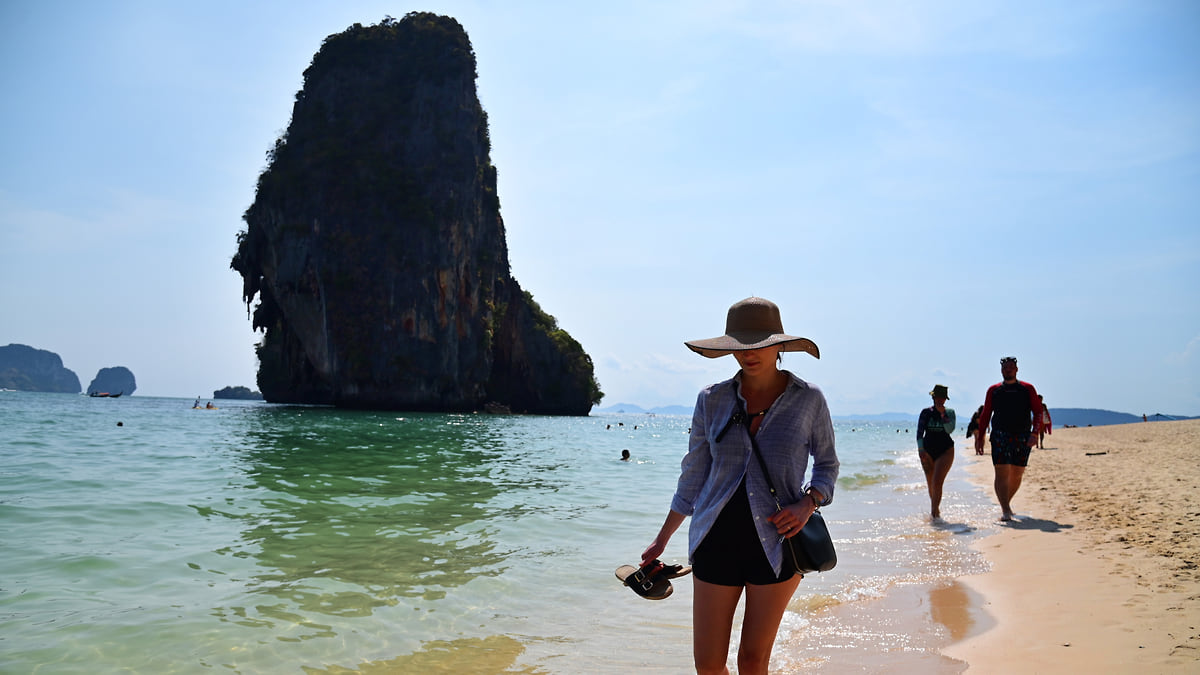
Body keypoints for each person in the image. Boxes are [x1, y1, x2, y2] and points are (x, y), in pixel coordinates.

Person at [639, 297, 839, 675]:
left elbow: (827, 465)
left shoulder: (809, 399)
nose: (749, 354)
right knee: (708, 666)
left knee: (752, 662)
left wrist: (808, 504)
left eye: (759, 344)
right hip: (714, 540)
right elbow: (694, 474)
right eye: (740, 346)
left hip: (779, 544)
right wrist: (662, 539)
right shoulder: (711, 400)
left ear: (779, 346)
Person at [974, 356, 1042, 521]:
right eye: (1005, 368)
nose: (1008, 370)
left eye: (1011, 367)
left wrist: (1035, 433)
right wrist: (980, 437)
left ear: (1016, 369)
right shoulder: (994, 390)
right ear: (1001, 370)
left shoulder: (1027, 389)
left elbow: (1038, 412)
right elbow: (986, 414)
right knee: (1002, 472)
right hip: (1000, 435)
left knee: (1017, 473)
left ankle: (1006, 504)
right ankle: (1005, 510)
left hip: (1023, 435)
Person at [916, 385, 956, 520]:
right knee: (931, 483)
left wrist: (943, 414)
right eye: (937, 397)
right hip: (927, 450)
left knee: (937, 481)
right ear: (933, 397)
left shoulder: (950, 412)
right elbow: (919, 433)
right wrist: (920, 449)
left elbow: (950, 429)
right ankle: (936, 511)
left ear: (945, 399)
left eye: (942, 398)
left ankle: (933, 515)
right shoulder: (926, 413)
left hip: (946, 450)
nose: (939, 400)